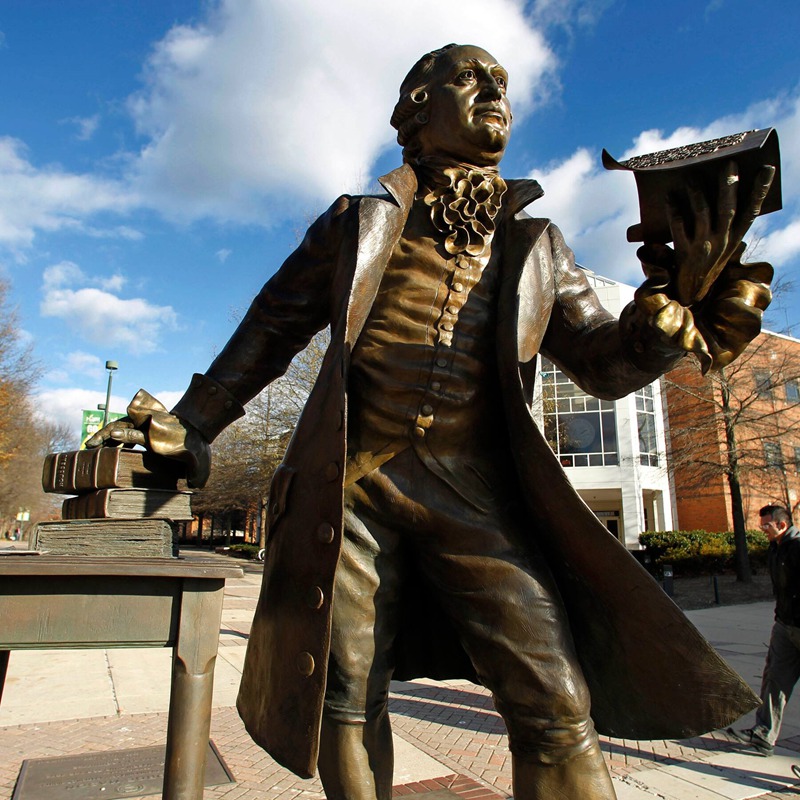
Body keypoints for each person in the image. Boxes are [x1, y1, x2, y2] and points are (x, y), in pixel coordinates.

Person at [89, 44, 775, 800]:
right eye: (471, 77)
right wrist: (193, 424)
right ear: (416, 109)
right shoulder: (357, 222)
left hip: (476, 493)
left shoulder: (536, 243)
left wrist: (658, 330)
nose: (495, 91)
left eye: (504, 83)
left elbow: (601, 365)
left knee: (556, 704)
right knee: (345, 702)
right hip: (351, 489)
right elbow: (270, 328)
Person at [729, 505, 800, 757]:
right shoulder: (776, 548)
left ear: (782, 525)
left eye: (766, 526)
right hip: (784, 625)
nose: (763, 531)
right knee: (774, 680)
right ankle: (763, 734)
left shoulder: (797, 548)